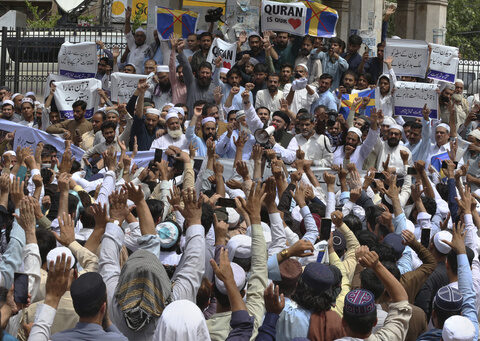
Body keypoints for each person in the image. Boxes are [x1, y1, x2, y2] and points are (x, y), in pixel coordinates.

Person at [176, 39, 220, 117]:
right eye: (202, 72)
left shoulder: (214, 87)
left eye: (207, 73)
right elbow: (186, 67)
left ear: (211, 74)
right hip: (191, 122)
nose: (205, 75)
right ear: (198, 73)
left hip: (208, 124)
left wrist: (218, 67)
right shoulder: (191, 82)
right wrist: (180, 51)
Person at [124, 7, 149, 74]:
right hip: (129, 76)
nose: (139, 38)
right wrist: (127, 19)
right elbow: (128, 34)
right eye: (137, 36)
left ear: (145, 38)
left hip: (140, 77)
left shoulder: (147, 49)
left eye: (141, 36)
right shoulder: (132, 46)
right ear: (134, 37)